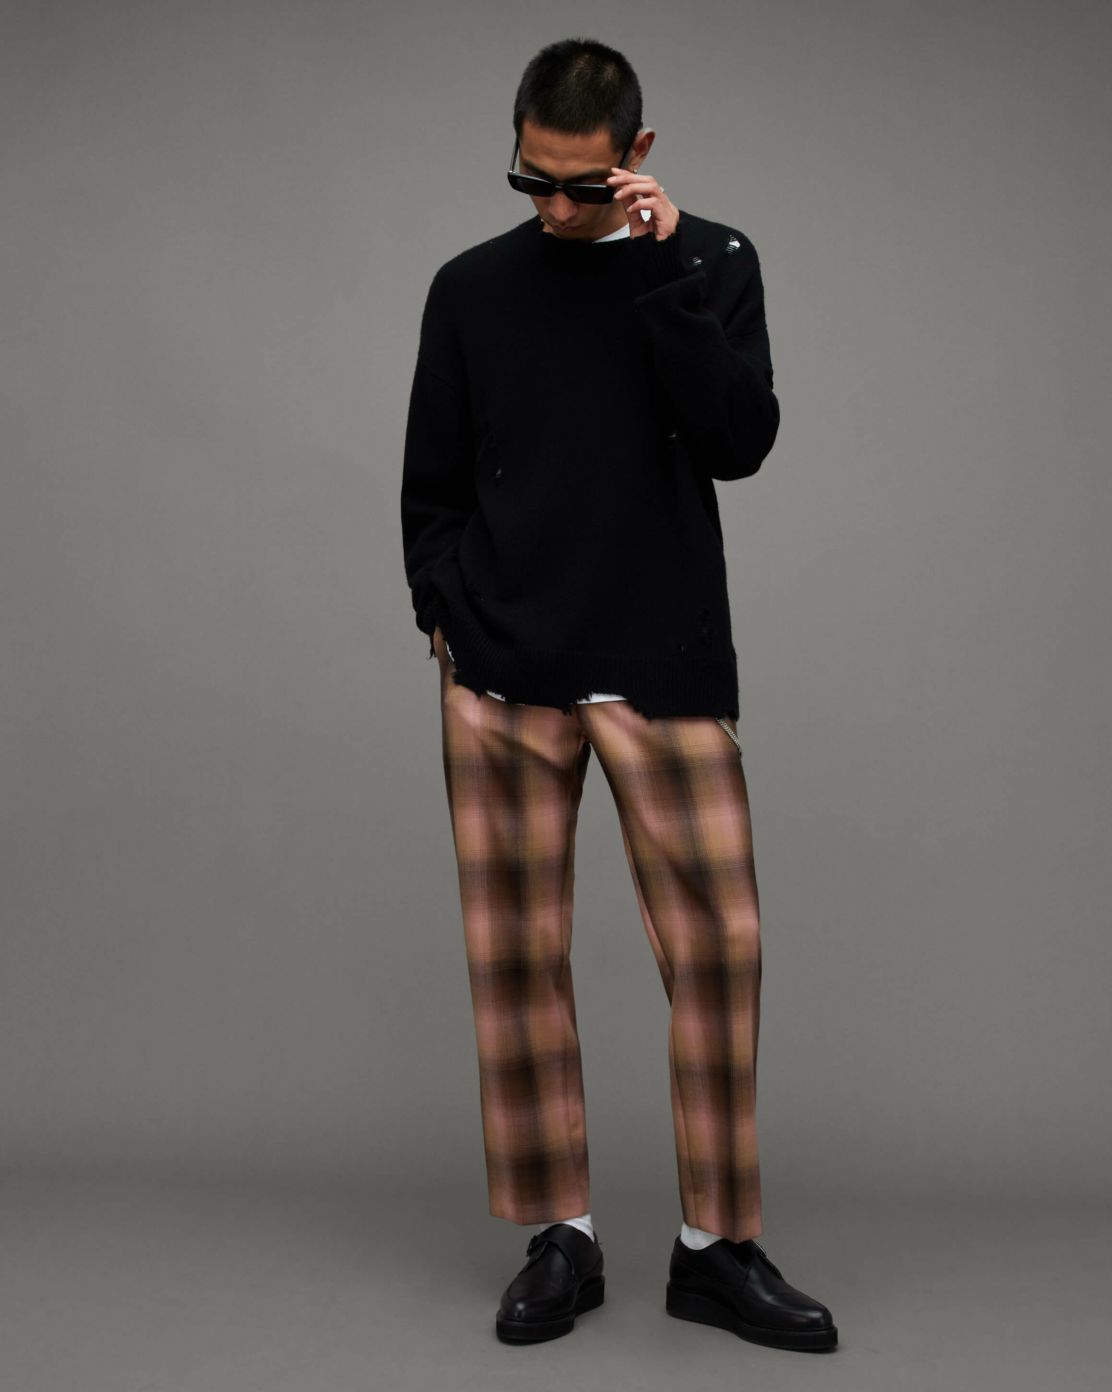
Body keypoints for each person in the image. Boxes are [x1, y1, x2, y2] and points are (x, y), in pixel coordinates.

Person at [401, 36, 838, 1352]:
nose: (551, 206)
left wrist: (658, 273)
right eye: (529, 178)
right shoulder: (470, 288)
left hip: (661, 662)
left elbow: (739, 441)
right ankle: (562, 1238)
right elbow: (432, 482)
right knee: (515, 955)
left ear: (637, 157)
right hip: (504, 670)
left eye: (580, 185)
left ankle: (717, 1249)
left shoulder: (710, 263)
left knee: (720, 949)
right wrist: (445, 611)